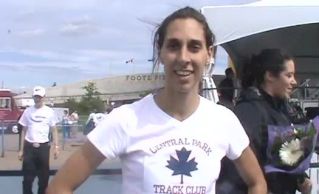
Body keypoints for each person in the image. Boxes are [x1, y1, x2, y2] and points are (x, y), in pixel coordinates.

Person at [46, 7, 267, 194]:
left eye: (194, 47)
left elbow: (257, 183)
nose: (183, 58)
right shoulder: (127, 119)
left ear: (208, 54)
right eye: (173, 46)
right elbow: (59, 187)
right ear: (160, 52)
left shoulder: (223, 120)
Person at [217, 48, 319, 194]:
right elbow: (239, 169)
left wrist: (300, 177)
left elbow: (282, 153)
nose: (294, 82)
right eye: (289, 75)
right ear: (269, 76)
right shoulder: (249, 112)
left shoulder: (281, 110)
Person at [18, 86, 59, 194]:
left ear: (44, 97)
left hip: (43, 148)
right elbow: (23, 130)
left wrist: (56, 147)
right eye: (36, 97)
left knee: (44, 179)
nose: (38, 99)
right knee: (27, 179)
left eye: (40, 97)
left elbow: (54, 130)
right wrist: (21, 150)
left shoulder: (49, 112)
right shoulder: (27, 111)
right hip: (29, 147)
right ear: (33, 97)